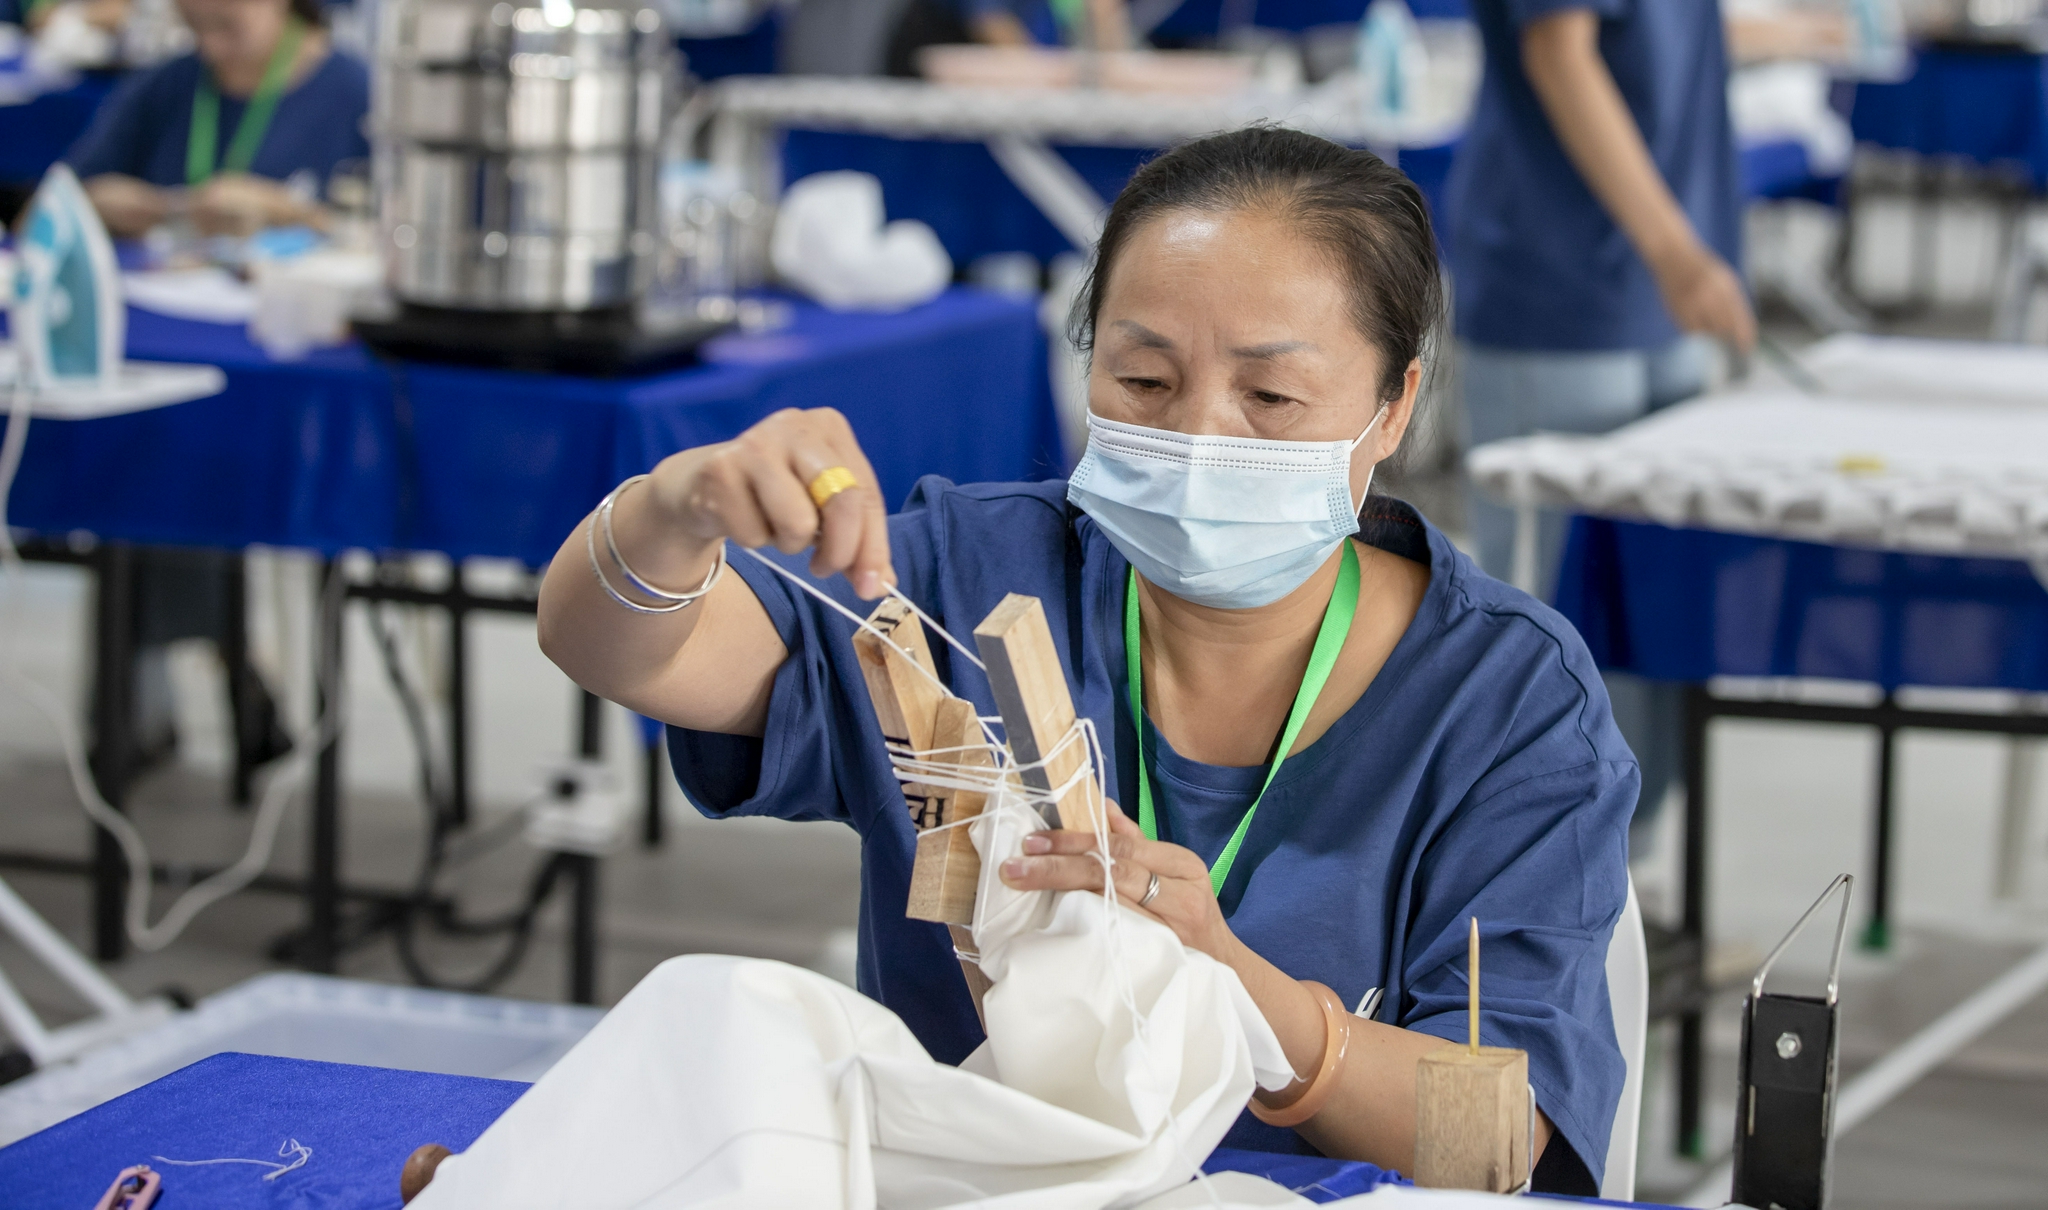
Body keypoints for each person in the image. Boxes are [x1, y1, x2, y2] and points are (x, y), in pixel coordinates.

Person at [538, 127, 1635, 1193]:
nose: (1199, 435)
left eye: (1270, 398)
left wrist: (1233, 987)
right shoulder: (974, 578)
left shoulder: (1504, 704)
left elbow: (1500, 1143)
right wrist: (671, 513)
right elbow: (625, 650)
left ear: (1392, 408)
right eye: (1144, 381)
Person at [1447, 0, 1757, 827]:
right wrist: (1676, 252)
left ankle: (1625, 879)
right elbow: (1560, 49)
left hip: (1665, 287)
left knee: (1650, 607)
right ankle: (1527, 882)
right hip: (1569, 287)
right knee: (1551, 626)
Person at [63, 0, 368, 237]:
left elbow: (375, 239)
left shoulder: (357, 94)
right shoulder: (167, 82)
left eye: (227, 26)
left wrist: (289, 213)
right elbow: (61, 200)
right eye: (194, 26)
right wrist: (156, 208)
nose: (211, 46)